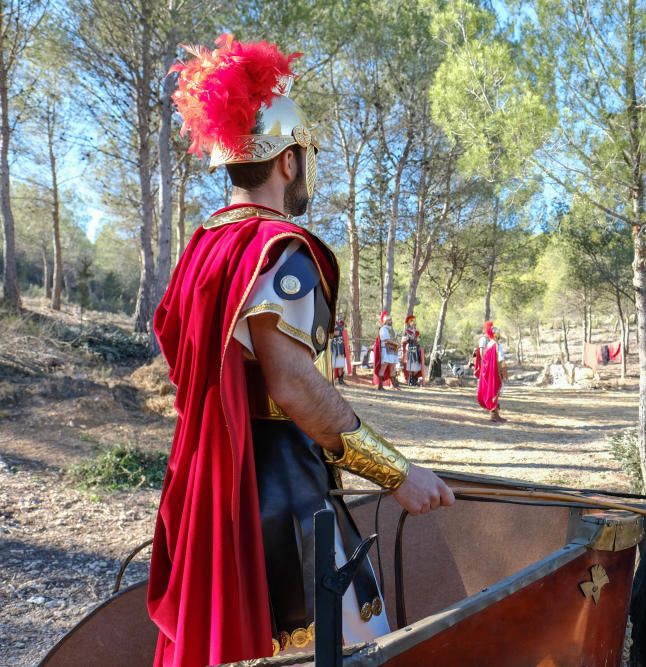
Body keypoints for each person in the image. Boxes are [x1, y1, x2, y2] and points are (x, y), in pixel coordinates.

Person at [151, 37, 454, 667]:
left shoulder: (200, 252)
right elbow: (291, 384)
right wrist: (398, 474)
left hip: (211, 496)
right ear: (288, 162)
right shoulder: (280, 250)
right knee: (351, 646)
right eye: (305, 158)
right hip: (283, 506)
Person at [477, 321, 505, 422]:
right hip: (492, 371)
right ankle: (494, 415)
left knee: (493, 391)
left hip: (488, 371)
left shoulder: (490, 343)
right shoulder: (494, 344)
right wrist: (504, 372)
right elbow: (500, 360)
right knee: (495, 391)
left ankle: (495, 414)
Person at [371, 310, 400, 390]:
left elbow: (395, 338)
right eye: (389, 320)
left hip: (393, 349)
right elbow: (386, 339)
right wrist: (396, 343)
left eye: (391, 320)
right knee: (384, 366)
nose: (391, 321)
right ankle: (380, 386)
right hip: (386, 349)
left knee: (393, 367)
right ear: (385, 321)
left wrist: (397, 344)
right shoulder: (383, 329)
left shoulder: (393, 330)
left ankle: (394, 385)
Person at [400, 315, 426, 386]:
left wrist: (418, 339)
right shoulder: (407, 331)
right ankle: (411, 381)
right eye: (411, 321)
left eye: (414, 321)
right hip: (410, 349)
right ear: (409, 322)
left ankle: (414, 380)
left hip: (416, 350)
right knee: (411, 366)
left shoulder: (417, 331)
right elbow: (403, 340)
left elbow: (418, 340)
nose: (413, 322)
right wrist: (408, 339)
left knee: (417, 367)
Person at [330, 316, 351, 385]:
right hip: (334, 349)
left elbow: (343, 337)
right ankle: (331, 380)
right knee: (332, 365)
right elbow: (335, 334)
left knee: (341, 365)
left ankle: (341, 381)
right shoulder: (332, 326)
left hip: (341, 349)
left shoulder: (341, 327)